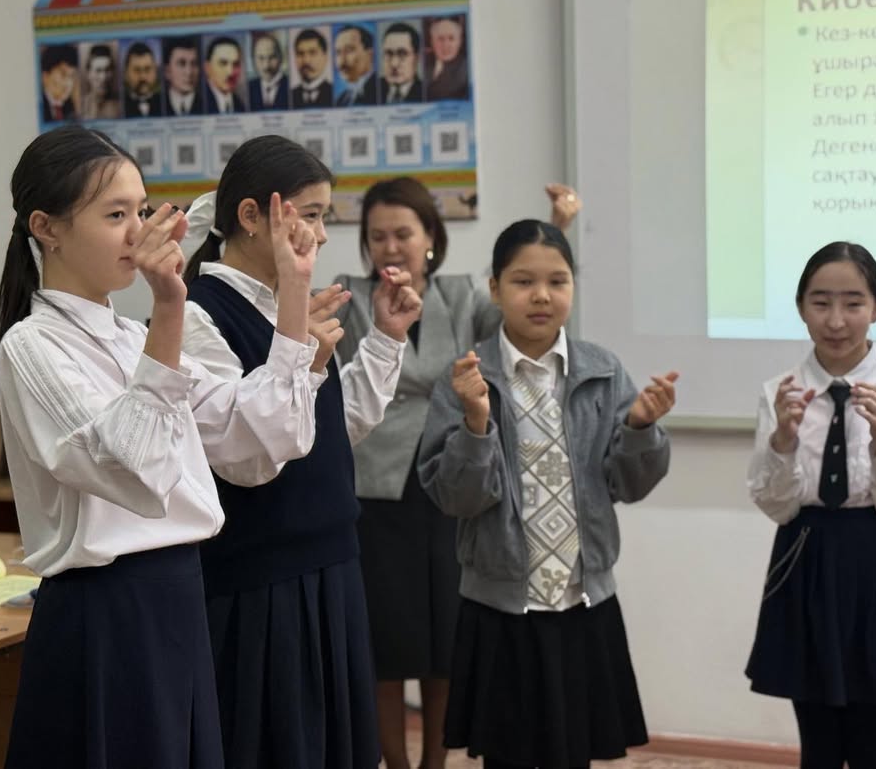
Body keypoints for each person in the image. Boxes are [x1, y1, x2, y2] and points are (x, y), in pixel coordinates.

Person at [0, 124, 323, 768]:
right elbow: (131, 469)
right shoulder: (32, 345)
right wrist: (170, 309)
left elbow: (260, 433)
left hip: (177, 596)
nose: (137, 231)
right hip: (105, 610)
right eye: (115, 215)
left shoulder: (127, 337)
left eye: (141, 211)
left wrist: (294, 290)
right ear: (47, 227)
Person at [180, 135, 423, 768]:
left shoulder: (286, 308)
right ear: (251, 216)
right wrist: (298, 337)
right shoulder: (199, 316)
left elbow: (331, 428)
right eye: (308, 216)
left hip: (330, 564)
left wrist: (386, 339)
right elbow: (248, 456)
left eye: (323, 217)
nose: (318, 235)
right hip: (259, 582)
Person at [332, 180, 582, 769]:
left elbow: (525, 313)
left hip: (452, 484)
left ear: (430, 239)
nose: (391, 247)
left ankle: (435, 765)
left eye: (403, 234)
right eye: (377, 236)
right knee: (386, 645)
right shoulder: (349, 296)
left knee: (446, 642)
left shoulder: (462, 294)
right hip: (375, 492)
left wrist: (558, 227)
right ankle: (395, 764)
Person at [417, 219, 677, 769]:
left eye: (557, 281)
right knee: (507, 754)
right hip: (500, 607)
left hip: (581, 601)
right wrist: (476, 424)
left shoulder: (602, 370)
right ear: (495, 288)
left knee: (573, 751)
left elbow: (630, 484)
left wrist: (639, 427)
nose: (541, 296)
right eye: (523, 281)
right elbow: (455, 498)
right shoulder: (466, 377)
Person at [745, 241, 876, 769]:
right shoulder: (780, 393)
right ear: (800, 307)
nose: (836, 321)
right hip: (804, 559)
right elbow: (775, 506)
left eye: (853, 303)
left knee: (870, 739)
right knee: (817, 741)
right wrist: (783, 442)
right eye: (820, 302)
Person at [425, 16, 468, 101]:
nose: (446, 45)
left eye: (451, 39)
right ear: (432, 42)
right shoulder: (425, 63)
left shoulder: (465, 67)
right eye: (441, 39)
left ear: (460, 42)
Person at [379, 23, 422, 104]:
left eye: (402, 54)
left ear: (417, 58)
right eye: (388, 53)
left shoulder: (427, 93)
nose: (394, 64)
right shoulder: (371, 90)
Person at [335, 24, 376, 106]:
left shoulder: (380, 90)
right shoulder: (341, 99)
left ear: (370, 55)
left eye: (349, 50)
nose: (342, 61)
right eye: (338, 52)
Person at [291, 29, 333, 109]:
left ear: (325, 57)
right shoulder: (290, 95)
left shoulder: (335, 94)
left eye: (313, 53)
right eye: (300, 54)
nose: (306, 61)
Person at [204, 36, 246, 114]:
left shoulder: (241, 106)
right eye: (223, 63)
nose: (230, 72)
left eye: (236, 64)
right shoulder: (200, 103)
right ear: (208, 68)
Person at [163, 36, 204, 116]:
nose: (189, 72)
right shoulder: (155, 106)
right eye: (181, 64)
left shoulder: (207, 104)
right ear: (167, 71)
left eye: (194, 64)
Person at [248, 32, 288, 111]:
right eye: (261, 58)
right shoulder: (248, 90)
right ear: (253, 60)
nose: (266, 66)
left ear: (281, 58)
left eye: (272, 57)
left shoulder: (291, 87)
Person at [39, 44, 78, 122]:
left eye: (71, 76)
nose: (68, 83)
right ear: (45, 76)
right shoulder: (37, 107)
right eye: (63, 74)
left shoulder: (71, 109)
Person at [123, 41, 162, 117]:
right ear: (126, 74)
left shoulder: (164, 102)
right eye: (137, 70)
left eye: (147, 69)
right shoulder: (120, 105)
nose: (143, 77)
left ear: (155, 71)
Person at [80, 44, 119, 120]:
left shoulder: (120, 106)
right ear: (88, 74)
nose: (103, 77)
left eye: (107, 70)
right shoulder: (80, 106)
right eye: (98, 71)